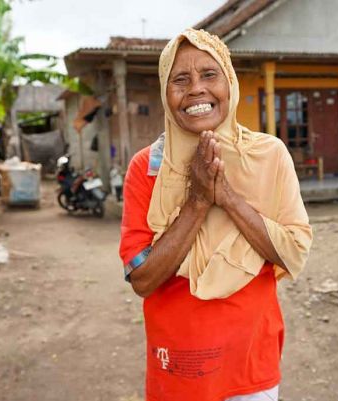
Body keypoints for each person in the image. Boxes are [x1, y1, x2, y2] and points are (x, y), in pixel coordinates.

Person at [119, 28, 312, 401]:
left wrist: (228, 197)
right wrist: (197, 202)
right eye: (180, 80)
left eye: (209, 74)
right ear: (165, 92)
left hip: (250, 366)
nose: (196, 90)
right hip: (178, 367)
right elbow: (142, 278)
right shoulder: (147, 168)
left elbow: (294, 250)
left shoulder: (268, 156)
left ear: (230, 83)